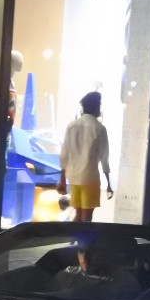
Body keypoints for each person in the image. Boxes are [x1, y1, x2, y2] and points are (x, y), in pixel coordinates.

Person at [57, 92, 111, 222]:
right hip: (90, 177)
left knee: (78, 213)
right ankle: (83, 241)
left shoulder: (71, 126)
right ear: (96, 107)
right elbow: (104, 158)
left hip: (73, 177)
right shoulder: (99, 128)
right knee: (86, 217)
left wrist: (62, 180)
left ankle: (74, 239)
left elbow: (64, 154)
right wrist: (108, 182)